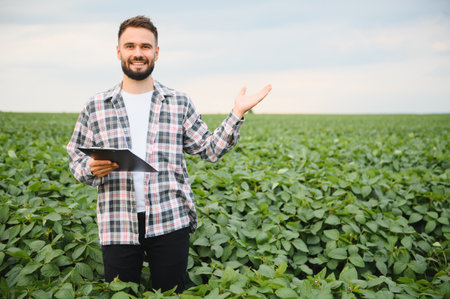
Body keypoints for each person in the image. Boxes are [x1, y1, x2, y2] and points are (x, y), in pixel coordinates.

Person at [67, 15, 271, 293]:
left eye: (145, 46)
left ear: (156, 52)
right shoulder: (96, 106)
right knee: (121, 295)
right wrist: (90, 169)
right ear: (118, 51)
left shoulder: (178, 102)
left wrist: (237, 113)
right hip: (117, 223)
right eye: (129, 46)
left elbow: (210, 150)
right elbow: (75, 157)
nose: (138, 53)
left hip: (170, 221)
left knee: (172, 293)